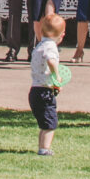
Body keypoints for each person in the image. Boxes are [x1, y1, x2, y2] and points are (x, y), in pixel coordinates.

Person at [28, 9, 68, 157]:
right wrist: (56, 76)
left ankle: (42, 146)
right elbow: (51, 61)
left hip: (35, 90)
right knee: (50, 123)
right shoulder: (51, 47)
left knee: (44, 123)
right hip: (44, 91)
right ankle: (44, 149)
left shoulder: (39, 46)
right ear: (61, 35)